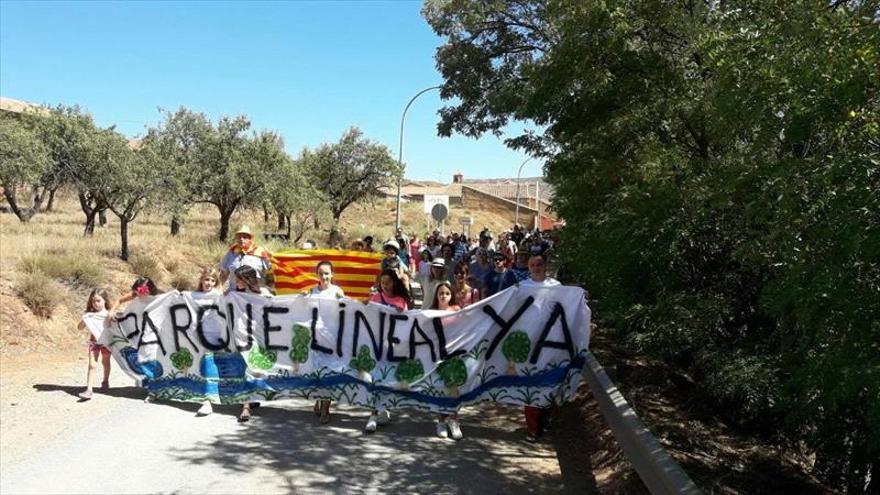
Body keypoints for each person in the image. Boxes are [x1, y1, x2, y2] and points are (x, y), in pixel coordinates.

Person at [519, 252, 560, 442]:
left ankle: (544, 421)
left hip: (552, 344)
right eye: (532, 265)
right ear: (528, 267)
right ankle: (532, 428)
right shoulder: (522, 288)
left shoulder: (556, 287)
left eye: (539, 264)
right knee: (531, 385)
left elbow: (568, 307)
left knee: (549, 383)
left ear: (545, 266)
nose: (536, 267)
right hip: (529, 345)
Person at [365, 269, 410, 432]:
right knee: (376, 378)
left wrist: (400, 313)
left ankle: (384, 408)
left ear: (394, 282)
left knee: (389, 379)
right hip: (378, 345)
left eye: (388, 282)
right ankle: (373, 415)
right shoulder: (376, 298)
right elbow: (369, 317)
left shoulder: (401, 300)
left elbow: (407, 323)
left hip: (394, 347)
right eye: (382, 283)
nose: (385, 286)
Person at [232, 265, 272, 422]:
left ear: (246, 280)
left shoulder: (264, 293)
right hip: (243, 337)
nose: (236, 282)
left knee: (255, 368)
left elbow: (278, 306)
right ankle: (246, 406)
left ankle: (250, 401)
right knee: (247, 368)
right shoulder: (236, 295)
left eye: (238, 279)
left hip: (260, 336)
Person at [307, 260, 345, 424]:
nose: (324, 276)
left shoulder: (337, 291)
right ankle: (318, 400)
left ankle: (325, 409)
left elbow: (347, 308)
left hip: (332, 339)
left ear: (332, 274)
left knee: (329, 372)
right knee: (317, 373)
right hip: (315, 339)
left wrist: (343, 300)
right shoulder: (312, 291)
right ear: (317, 274)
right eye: (321, 273)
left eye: (327, 273)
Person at [428, 281, 464, 439]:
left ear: (451, 296)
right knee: (440, 388)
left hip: (453, 355)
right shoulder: (430, 312)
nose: (444, 296)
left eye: (447, 293)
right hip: (436, 355)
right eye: (441, 293)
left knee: (454, 388)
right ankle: (441, 421)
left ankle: (453, 420)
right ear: (436, 296)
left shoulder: (456, 310)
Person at [192, 268, 221, 416]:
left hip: (212, 337)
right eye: (206, 279)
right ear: (201, 281)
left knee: (209, 366)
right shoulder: (192, 295)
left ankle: (208, 401)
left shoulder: (219, 296)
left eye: (212, 280)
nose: (209, 283)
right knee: (197, 366)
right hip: (194, 338)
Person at [77, 288, 114, 400]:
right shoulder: (90, 315)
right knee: (92, 365)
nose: (96, 303)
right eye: (93, 301)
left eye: (98, 300)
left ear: (105, 301)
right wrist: (84, 319)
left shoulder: (109, 314)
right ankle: (89, 389)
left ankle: (105, 381)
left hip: (106, 342)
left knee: (105, 362)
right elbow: (79, 328)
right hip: (94, 343)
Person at [219, 225, 272, 292]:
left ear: (250, 239)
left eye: (244, 237)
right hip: (235, 294)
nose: (241, 239)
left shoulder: (260, 252)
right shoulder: (231, 253)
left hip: (255, 294)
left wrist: (269, 290)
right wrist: (220, 289)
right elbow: (224, 274)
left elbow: (270, 274)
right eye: (239, 237)